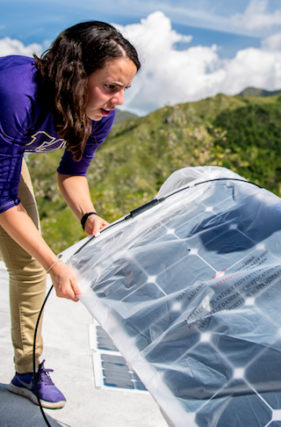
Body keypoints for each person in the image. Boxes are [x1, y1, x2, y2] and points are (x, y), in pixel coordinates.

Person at [0, 21, 140, 409]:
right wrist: (54, 265)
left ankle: (26, 371)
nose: (119, 100)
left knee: (26, 267)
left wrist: (88, 216)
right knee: (39, 263)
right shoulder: (18, 92)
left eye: (125, 88)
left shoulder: (99, 113)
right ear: (76, 73)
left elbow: (72, 173)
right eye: (111, 87)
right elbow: (1, 201)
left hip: (5, 165)